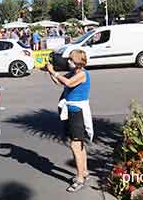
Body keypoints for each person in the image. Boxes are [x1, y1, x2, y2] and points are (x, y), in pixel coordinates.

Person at [46, 49, 93, 193]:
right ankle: (84, 172)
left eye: (71, 60)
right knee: (79, 145)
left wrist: (54, 72)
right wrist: (50, 71)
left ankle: (79, 179)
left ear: (78, 62)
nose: (69, 62)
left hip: (78, 113)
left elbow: (68, 83)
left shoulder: (82, 75)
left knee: (75, 145)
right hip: (71, 112)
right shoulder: (74, 73)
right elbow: (60, 83)